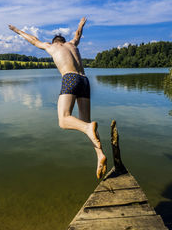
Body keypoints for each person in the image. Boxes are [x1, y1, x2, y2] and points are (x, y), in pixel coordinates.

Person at [9, 17, 107, 179]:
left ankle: (90, 130)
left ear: (54, 42)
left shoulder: (51, 46)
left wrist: (17, 30)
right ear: (64, 40)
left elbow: (33, 40)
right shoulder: (72, 44)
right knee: (85, 123)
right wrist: (81, 24)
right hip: (84, 80)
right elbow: (78, 34)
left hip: (70, 79)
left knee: (64, 120)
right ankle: (100, 156)